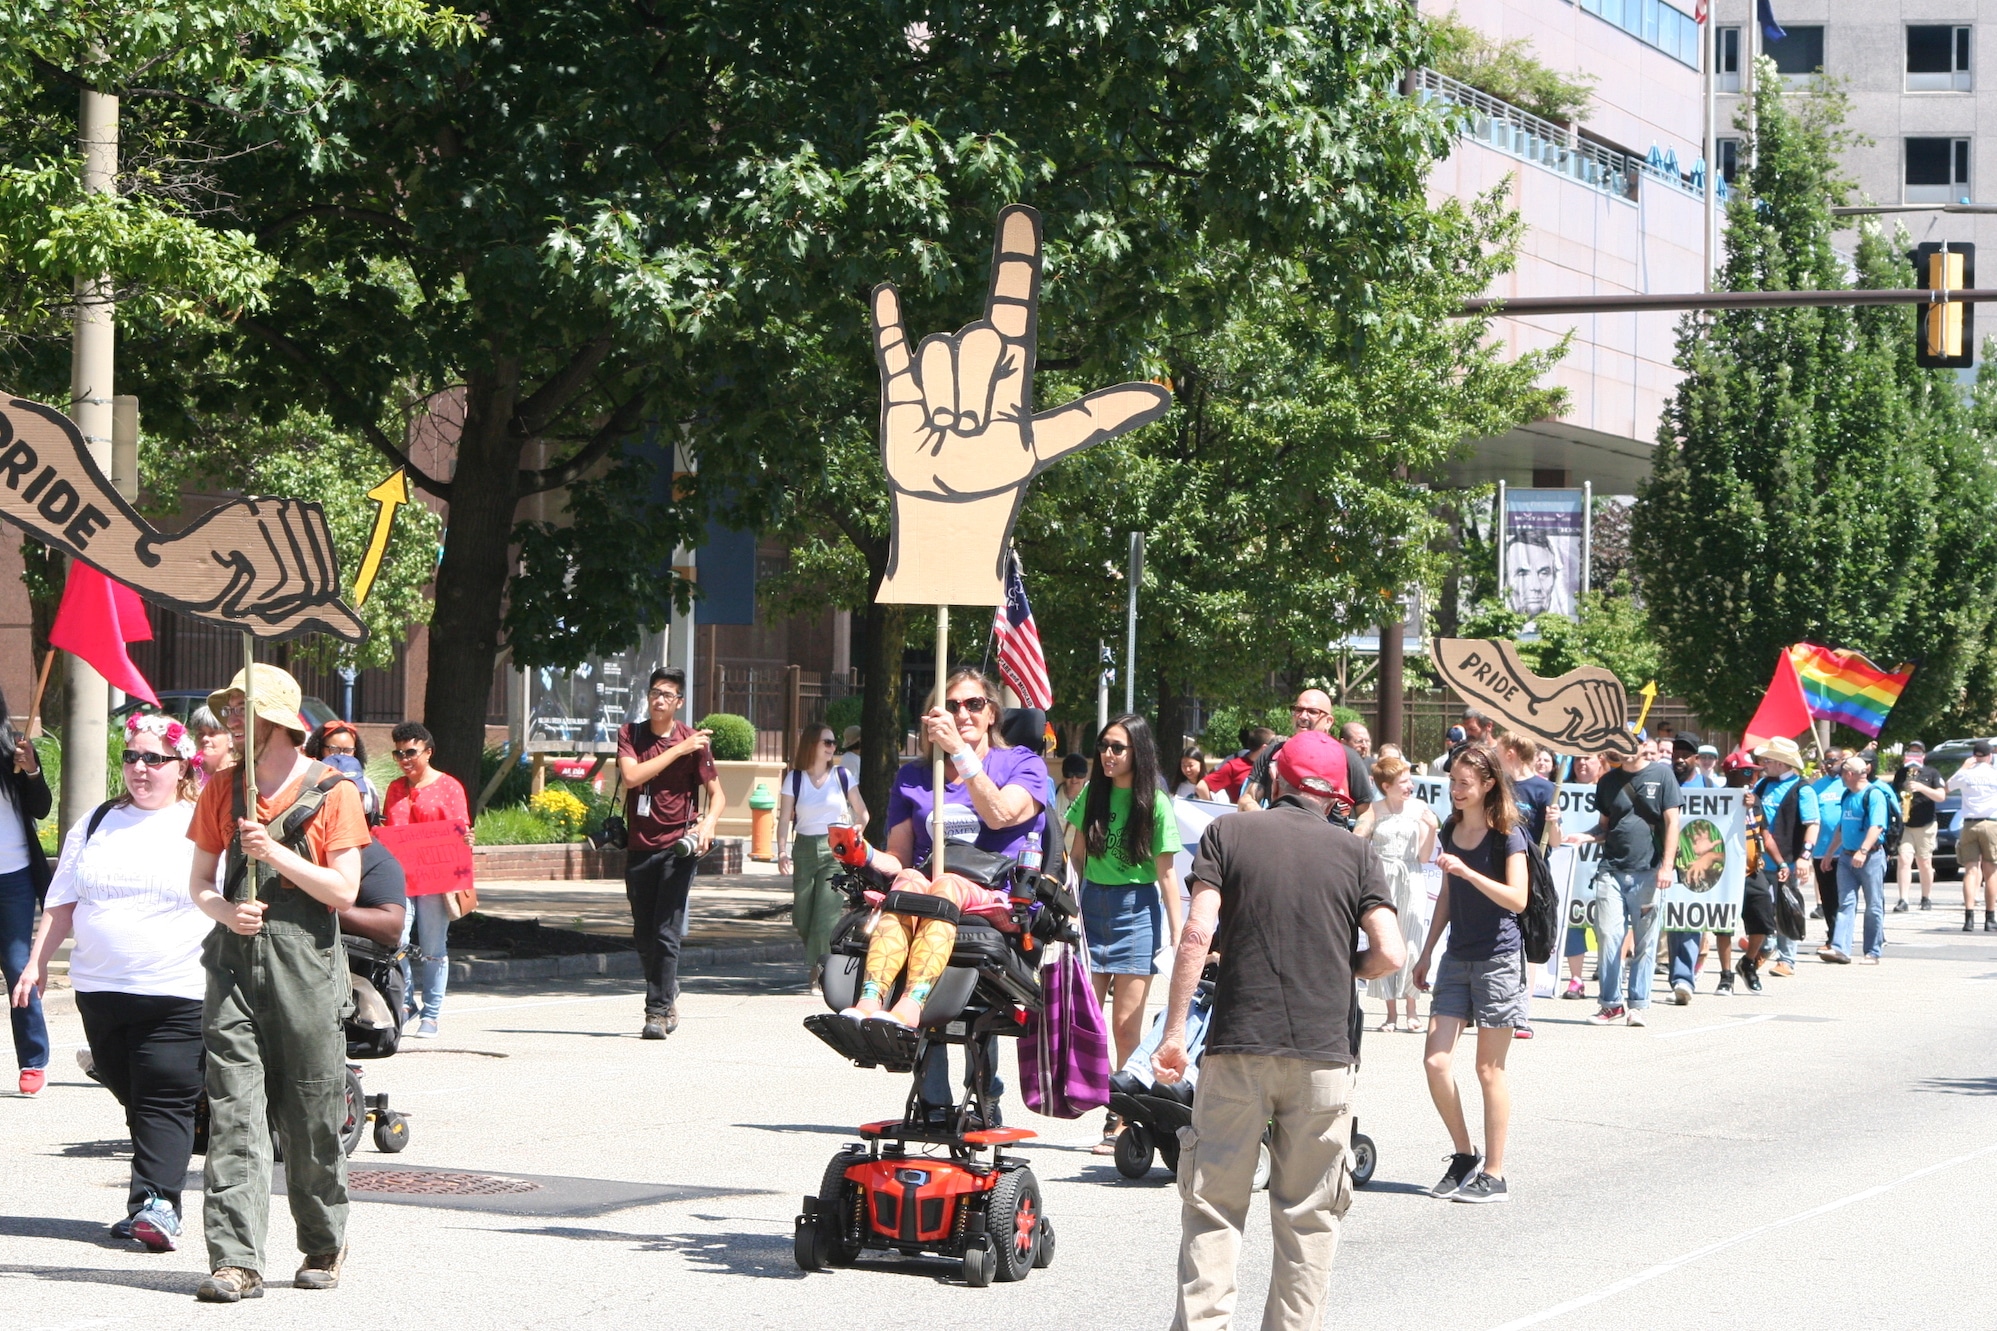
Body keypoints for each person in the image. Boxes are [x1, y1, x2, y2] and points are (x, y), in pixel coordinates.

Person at [1153, 730, 1403, 1328]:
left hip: (1239, 1041)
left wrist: (1172, 1032)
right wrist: (1345, 970)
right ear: (1337, 796)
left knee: (1214, 1207)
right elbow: (1392, 952)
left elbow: (1197, 935)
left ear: (1276, 781)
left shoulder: (1228, 833)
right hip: (1323, 1052)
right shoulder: (1356, 853)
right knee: (1309, 1217)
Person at [187, 663, 369, 1302]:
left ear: (279, 719)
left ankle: (323, 1238)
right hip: (233, 968)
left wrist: (276, 852)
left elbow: (344, 891)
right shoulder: (221, 789)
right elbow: (200, 885)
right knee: (234, 1116)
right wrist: (224, 911)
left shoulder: (333, 791)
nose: (229, 718)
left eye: (242, 707)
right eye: (229, 707)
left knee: (312, 1115)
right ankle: (235, 1261)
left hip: (307, 967)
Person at [12, 713, 204, 1248]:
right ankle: (150, 1200)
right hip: (100, 990)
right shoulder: (97, 821)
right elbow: (62, 900)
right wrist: (35, 963)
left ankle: (159, 1205)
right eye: (131, 757)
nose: (140, 769)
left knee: (163, 1095)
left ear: (181, 765)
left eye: (154, 759)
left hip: (177, 989)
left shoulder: (202, 820)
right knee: (135, 1095)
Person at [886, 667, 1046, 1124]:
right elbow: (898, 858)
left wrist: (958, 752)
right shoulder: (916, 777)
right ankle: (931, 1098)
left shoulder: (1021, 763)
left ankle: (984, 1092)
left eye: (973, 704)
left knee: (943, 893)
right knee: (910, 893)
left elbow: (999, 815)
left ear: (992, 711)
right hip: (932, 899)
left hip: (996, 903)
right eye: (952, 705)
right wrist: (859, 855)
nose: (963, 713)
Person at [1411, 744, 1529, 1203]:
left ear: (1487, 785)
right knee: (1436, 1061)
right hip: (1456, 955)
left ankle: (1495, 1175)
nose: (1455, 791)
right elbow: (1445, 895)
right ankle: (1465, 1155)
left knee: (1488, 1069)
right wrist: (1426, 953)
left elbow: (1516, 899)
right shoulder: (1451, 827)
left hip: (1499, 957)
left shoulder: (1508, 834)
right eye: (1452, 782)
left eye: (1464, 783)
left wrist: (1467, 872)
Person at [1066, 712, 1183, 1154]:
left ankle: (1122, 1117)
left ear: (1138, 751)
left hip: (1136, 911)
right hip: (1092, 906)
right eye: (1104, 746)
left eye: (1118, 748)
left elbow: (1167, 874)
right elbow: (1074, 856)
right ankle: (1096, 1100)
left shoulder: (1154, 802)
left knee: (1125, 1024)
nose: (1108, 755)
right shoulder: (1093, 793)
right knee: (1090, 1017)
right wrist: (1071, 904)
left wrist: (1178, 933)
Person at [616, 668, 725, 1040]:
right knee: (644, 934)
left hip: (678, 847)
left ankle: (657, 1012)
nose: (658, 699)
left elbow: (718, 794)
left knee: (666, 932)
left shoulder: (695, 742)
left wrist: (707, 824)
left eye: (667, 694)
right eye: (654, 692)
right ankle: (668, 989)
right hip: (639, 846)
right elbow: (632, 777)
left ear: (679, 702)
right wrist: (679, 749)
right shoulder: (631, 734)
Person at [1569, 740, 1680, 1027]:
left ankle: (1638, 1004)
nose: (1625, 747)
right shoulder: (1607, 781)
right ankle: (1610, 1004)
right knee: (1607, 935)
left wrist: (1667, 866)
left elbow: (1673, 823)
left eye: (1632, 741)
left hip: (1649, 870)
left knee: (1645, 941)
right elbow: (1605, 826)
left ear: (1644, 745)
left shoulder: (1662, 775)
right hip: (1612, 869)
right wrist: (1587, 836)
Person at [381, 721, 472, 1038]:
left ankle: (431, 1014)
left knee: (433, 948)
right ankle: (406, 1004)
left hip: (436, 878)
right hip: (400, 877)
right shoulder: (395, 789)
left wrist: (465, 841)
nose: (404, 759)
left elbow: (460, 832)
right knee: (396, 941)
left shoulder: (449, 787)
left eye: (410, 752)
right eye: (398, 753)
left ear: (428, 751)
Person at [776, 721, 868, 986]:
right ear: (812, 745)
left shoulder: (842, 776)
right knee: (802, 917)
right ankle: (822, 958)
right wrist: (782, 852)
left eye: (833, 743)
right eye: (826, 742)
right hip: (804, 848)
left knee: (826, 915)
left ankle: (819, 973)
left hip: (835, 850)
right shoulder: (794, 778)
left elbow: (862, 811)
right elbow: (784, 819)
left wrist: (859, 827)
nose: (832, 747)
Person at [0, 685, 52, 1097]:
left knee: (20, 965)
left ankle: (33, 1061)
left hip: (13, 876)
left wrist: (32, 770)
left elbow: (41, 808)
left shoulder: (14, 750)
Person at [1363, 754, 1437, 1033]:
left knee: (1412, 941)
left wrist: (1431, 829)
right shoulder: (1374, 809)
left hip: (1412, 876)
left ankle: (1412, 1007)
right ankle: (1390, 1012)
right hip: (1383, 878)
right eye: (1403, 781)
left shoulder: (1418, 808)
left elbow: (1425, 855)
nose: (1410, 786)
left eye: (1409, 780)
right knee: (1384, 941)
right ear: (1386, 786)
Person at [1237, 689, 1377, 823]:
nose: (1303, 716)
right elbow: (1247, 798)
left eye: (1312, 712)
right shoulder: (1273, 753)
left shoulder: (1348, 757)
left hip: (1329, 842)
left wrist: (1354, 842)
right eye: (1298, 710)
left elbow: (1366, 813)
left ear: (1328, 721)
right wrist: (1262, 820)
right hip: (1280, 837)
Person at [1746, 738, 1818, 993]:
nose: (1763, 764)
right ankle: (1764, 946)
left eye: (1767, 760)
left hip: (1787, 857)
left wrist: (1804, 857)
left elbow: (1812, 824)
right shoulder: (1764, 785)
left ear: (1780, 762)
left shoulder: (1803, 789)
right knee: (1762, 905)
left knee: (1787, 906)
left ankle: (1786, 959)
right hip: (1760, 857)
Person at [1662, 733, 1718, 1004]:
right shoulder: (1663, 781)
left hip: (1694, 865)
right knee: (1665, 921)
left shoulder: (1709, 786)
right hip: (1663, 860)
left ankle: (1683, 979)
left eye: (1687, 754)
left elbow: (1725, 817)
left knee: (1688, 920)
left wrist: (1746, 805)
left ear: (1697, 758)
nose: (1680, 758)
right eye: (1676, 752)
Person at [1821, 755, 1890, 964]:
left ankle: (1873, 951)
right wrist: (1829, 852)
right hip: (1846, 857)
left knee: (1873, 905)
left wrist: (1863, 850)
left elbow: (1877, 826)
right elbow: (1842, 828)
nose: (1840, 777)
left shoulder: (1874, 795)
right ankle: (1841, 948)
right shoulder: (1847, 796)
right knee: (1846, 903)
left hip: (1870, 857)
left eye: (1842, 773)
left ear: (1850, 774)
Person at [1558, 753, 1608, 1000]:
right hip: (1573, 870)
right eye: (1577, 759)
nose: (1582, 763)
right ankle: (1576, 978)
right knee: (1573, 924)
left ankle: (1609, 978)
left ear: (1600, 761)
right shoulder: (1561, 793)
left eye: (1587, 758)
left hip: (1604, 868)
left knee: (1607, 926)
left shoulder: (1609, 791)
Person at [1948, 740, 1997, 933]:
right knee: (1991, 871)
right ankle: (1990, 917)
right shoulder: (1994, 774)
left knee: (1970, 871)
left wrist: (1963, 768)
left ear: (1974, 756)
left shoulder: (1965, 775)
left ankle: (1969, 918)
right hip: (1991, 823)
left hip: (1969, 824)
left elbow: (1947, 787)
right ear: (1990, 755)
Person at [1893, 741, 1944, 912]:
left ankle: (1926, 897)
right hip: (1906, 823)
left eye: (1917, 753)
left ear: (1923, 755)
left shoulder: (1932, 773)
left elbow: (1940, 796)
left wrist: (1922, 787)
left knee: (1924, 862)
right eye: (1911, 752)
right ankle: (1903, 899)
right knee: (1904, 860)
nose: (1914, 756)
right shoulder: (1901, 773)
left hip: (1926, 823)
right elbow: (1894, 795)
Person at [306, 720, 380, 821]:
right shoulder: (309, 780)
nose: (341, 755)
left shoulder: (367, 785)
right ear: (322, 749)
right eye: (334, 749)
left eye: (347, 750)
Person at [1809, 746, 1848, 936]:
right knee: (1828, 897)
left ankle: (1843, 935)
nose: (1829, 765)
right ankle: (1833, 934)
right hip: (1821, 850)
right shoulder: (1816, 787)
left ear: (1842, 761)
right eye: (1826, 761)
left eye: (1834, 761)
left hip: (1844, 850)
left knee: (1844, 898)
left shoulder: (1848, 783)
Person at [1205, 727, 1272, 804]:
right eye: (1273, 746)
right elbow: (1202, 786)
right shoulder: (1234, 766)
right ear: (1264, 748)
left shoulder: (1272, 768)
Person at [190, 704, 233, 789]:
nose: (204, 738)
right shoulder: (191, 773)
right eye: (200, 733)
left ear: (231, 739)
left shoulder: (242, 774)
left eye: (212, 733)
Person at [1437, 708, 1492, 774]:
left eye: (1472, 729)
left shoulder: (1501, 753)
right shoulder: (1459, 750)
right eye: (1466, 729)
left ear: (1488, 726)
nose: (1468, 733)